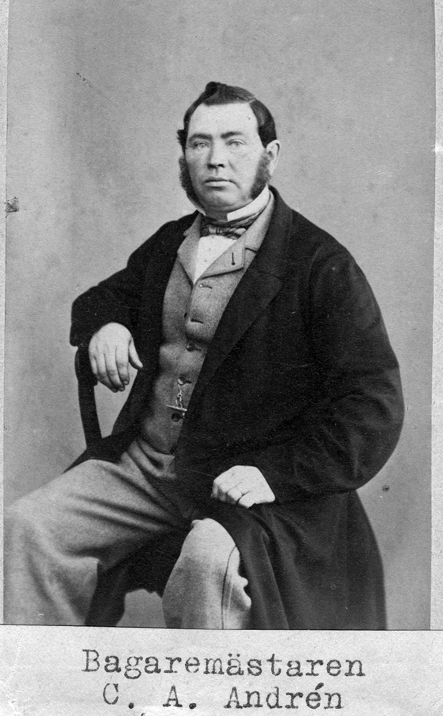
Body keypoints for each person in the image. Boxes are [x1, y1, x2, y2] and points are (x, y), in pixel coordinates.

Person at [4, 82, 404, 629]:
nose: (215, 159)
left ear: (270, 155)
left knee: (208, 565)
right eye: (199, 143)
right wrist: (107, 325)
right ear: (184, 157)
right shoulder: (170, 242)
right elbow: (106, 296)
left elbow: (373, 407)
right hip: (148, 470)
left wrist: (275, 475)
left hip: (251, 485)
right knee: (28, 530)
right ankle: (42, 681)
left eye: (234, 142)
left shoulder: (320, 264)